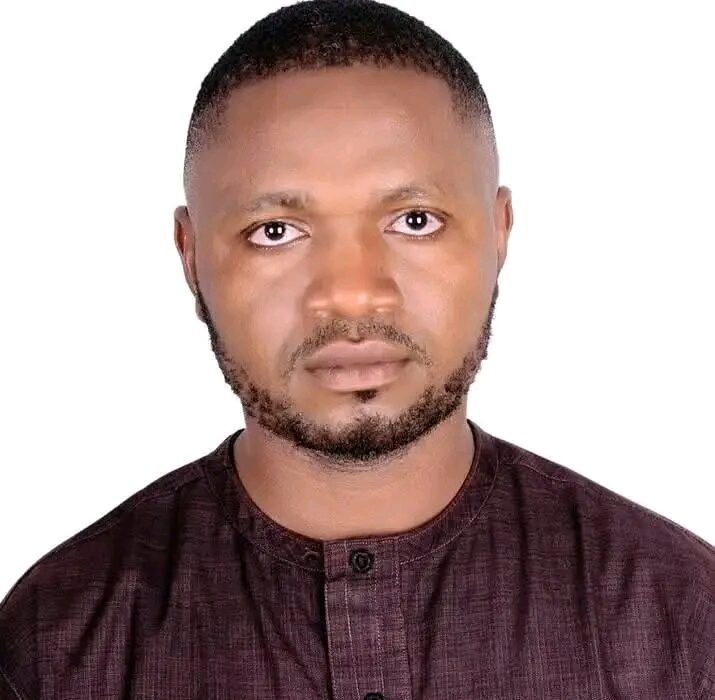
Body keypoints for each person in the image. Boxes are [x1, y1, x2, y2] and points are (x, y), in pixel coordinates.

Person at [1, 0, 713, 697]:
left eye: (415, 220)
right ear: (190, 256)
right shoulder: (53, 650)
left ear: (499, 233)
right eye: (275, 232)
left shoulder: (683, 622)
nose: (350, 295)